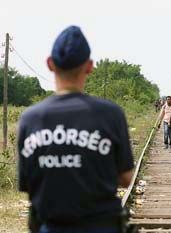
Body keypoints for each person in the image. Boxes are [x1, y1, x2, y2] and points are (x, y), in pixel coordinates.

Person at [17, 26, 134, 233]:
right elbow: (126, 178)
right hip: (101, 226)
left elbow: (27, 183)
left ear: (50, 64)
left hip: (51, 226)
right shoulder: (111, 114)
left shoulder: (30, 118)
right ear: (89, 66)